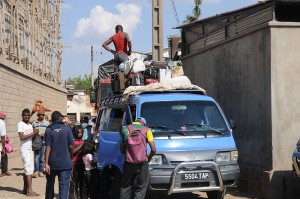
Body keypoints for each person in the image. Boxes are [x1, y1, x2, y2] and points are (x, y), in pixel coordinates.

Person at [119, 117, 156, 199]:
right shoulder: (147, 130)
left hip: (128, 162)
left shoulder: (126, 129)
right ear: (143, 123)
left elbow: (121, 149)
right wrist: (148, 158)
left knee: (125, 187)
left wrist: (127, 154)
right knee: (141, 188)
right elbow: (153, 149)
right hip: (143, 162)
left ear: (135, 122)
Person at [45, 111, 74, 199]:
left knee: (50, 186)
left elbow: (48, 148)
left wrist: (46, 163)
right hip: (65, 163)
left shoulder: (49, 130)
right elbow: (71, 146)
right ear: (60, 118)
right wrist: (71, 157)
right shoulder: (67, 129)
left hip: (52, 163)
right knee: (64, 187)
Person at [18, 108, 39, 196]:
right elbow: (22, 137)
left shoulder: (30, 125)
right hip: (24, 150)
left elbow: (32, 138)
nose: (27, 117)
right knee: (29, 170)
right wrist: (33, 133)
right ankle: (30, 191)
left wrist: (35, 133)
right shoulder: (20, 124)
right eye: (25, 115)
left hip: (29, 149)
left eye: (28, 115)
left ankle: (25, 189)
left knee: (28, 169)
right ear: (22, 116)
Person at [69, 126, 85, 199]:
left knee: (81, 182)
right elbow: (72, 152)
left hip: (82, 164)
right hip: (74, 164)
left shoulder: (82, 141)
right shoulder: (72, 141)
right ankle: (72, 197)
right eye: (79, 132)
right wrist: (81, 146)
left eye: (81, 132)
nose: (80, 134)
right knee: (73, 183)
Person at [32, 110, 49, 178]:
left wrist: (45, 134)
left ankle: (41, 171)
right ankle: (36, 171)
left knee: (42, 157)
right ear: (38, 115)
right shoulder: (34, 123)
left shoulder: (47, 123)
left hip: (43, 141)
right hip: (36, 142)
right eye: (40, 115)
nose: (41, 116)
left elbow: (49, 132)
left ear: (44, 116)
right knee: (36, 156)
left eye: (42, 115)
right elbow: (32, 131)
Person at [0, 111, 10, 177]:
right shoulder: (1, 122)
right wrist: (3, 147)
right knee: (3, 156)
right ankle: (3, 171)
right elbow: (2, 136)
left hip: (3, 142)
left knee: (4, 157)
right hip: (1, 143)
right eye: (4, 115)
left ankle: (4, 170)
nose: (5, 116)